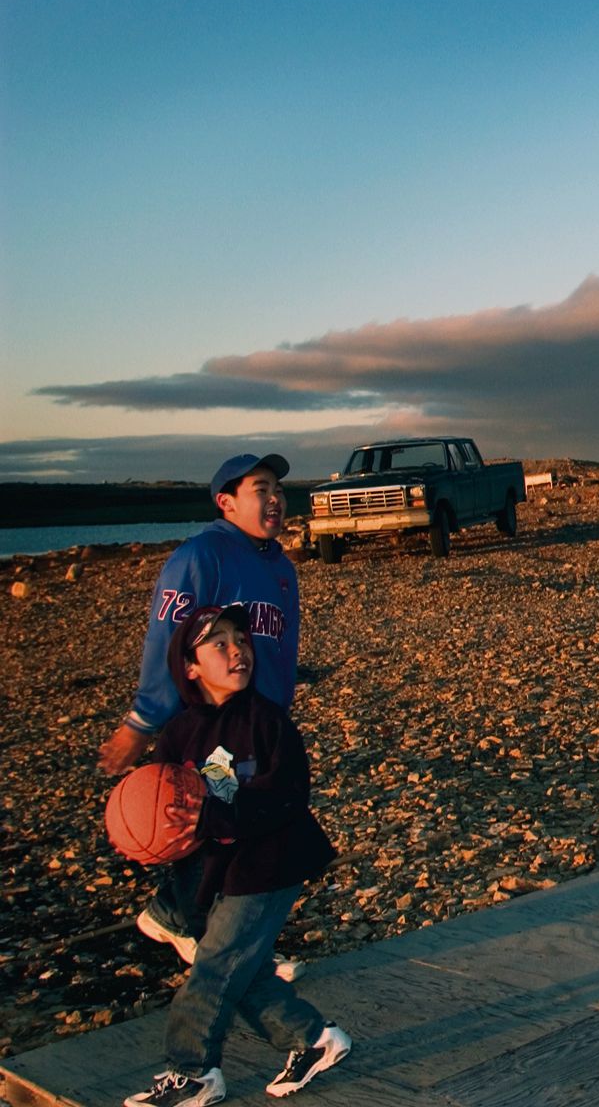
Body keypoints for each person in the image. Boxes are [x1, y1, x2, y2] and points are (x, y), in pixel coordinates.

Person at [125, 604, 350, 1107]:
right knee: (241, 974)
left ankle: (193, 1072)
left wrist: (210, 818)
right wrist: (143, 838)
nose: (237, 651)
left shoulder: (267, 723)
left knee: (214, 969)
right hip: (215, 871)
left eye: (241, 640)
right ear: (190, 665)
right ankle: (313, 1039)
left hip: (271, 864)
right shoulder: (180, 735)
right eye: (219, 643)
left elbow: (285, 797)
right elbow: (166, 809)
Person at [97, 454, 304, 978]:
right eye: (261, 488)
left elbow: (282, 647)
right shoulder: (200, 556)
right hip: (213, 729)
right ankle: (185, 923)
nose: (275, 497)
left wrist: (278, 712)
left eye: (279, 487)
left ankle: (226, 939)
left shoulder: (280, 567)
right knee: (223, 827)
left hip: (260, 722)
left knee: (254, 828)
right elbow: (168, 642)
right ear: (226, 501)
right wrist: (142, 722)